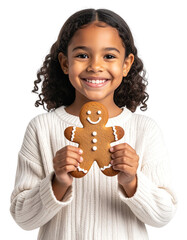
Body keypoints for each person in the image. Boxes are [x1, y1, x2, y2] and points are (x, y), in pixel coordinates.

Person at [10, 8, 177, 240]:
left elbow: (163, 215)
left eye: (109, 56)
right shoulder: (41, 128)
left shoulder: (145, 130)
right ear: (65, 62)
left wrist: (132, 181)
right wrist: (57, 182)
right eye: (82, 55)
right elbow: (23, 218)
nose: (95, 66)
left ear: (126, 64)